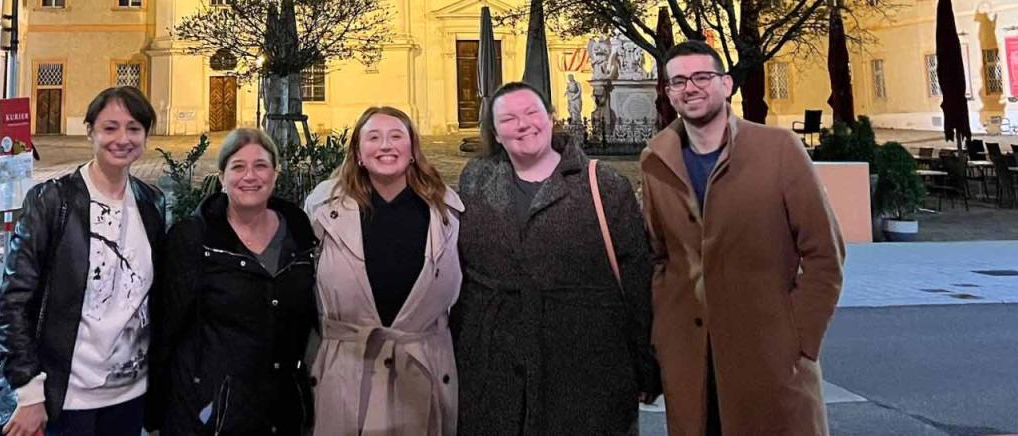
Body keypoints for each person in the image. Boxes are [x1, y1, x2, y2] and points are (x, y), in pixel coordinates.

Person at [639, 41, 845, 436]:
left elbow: (824, 252)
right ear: (667, 93)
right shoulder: (656, 160)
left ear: (726, 84)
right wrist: (664, 335)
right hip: (691, 357)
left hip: (768, 352)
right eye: (678, 81)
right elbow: (658, 256)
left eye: (702, 77)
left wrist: (800, 338)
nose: (690, 88)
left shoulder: (777, 149)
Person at [454, 81, 656, 436]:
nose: (523, 124)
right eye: (509, 119)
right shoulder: (475, 181)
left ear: (551, 118)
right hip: (495, 365)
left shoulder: (604, 185)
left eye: (532, 113)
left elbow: (637, 278)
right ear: (496, 134)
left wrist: (645, 364)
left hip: (585, 364)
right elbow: (461, 271)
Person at [0, 86, 167, 436]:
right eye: (110, 127)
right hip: (65, 400)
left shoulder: (151, 203)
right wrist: (29, 394)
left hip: (129, 396)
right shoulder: (52, 201)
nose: (122, 138)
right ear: (90, 131)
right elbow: (14, 302)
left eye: (134, 128)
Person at [305, 106, 463, 435]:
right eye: (373, 138)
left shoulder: (447, 212)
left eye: (396, 137)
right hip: (346, 376)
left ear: (412, 149)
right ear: (359, 154)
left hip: (422, 373)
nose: (386, 146)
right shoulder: (321, 211)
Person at [155, 128, 318, 435]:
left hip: (281, 412)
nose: (250, 176)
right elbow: (167, 329)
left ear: (275, 174)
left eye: (260, 166)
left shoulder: (299, 236)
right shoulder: (194, 238)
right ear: (222, 178)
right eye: (238, 167)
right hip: (212, 416)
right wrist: (158, 413)